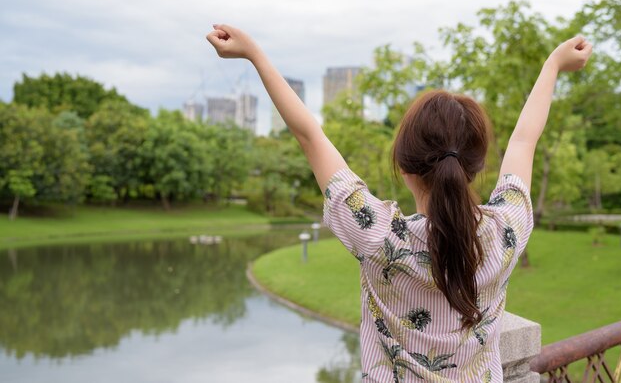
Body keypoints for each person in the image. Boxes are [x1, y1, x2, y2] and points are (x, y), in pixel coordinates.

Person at [206, 25, 592, 382]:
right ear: (473, 169)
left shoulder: (379, 236)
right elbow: (524, 142)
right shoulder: (505, 232)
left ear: (406, 168)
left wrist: (255, 54)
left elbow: (310, 136)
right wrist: (553, 65)